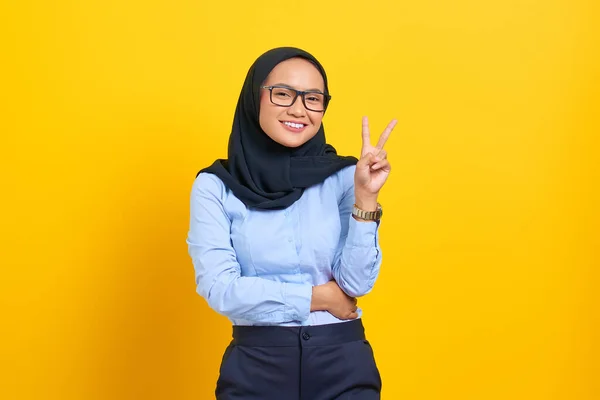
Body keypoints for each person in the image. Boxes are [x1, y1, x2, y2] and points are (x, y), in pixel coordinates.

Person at [186, 46, 396, 400]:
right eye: (283, 94)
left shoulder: (346, 176)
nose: (299, 109)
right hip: (257, 367)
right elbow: (221, 290)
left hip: (343, 362)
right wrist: (319, 298)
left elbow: (357, 282)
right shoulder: (215, 187)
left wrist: (366, 199)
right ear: (256, 98)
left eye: (313, 98)